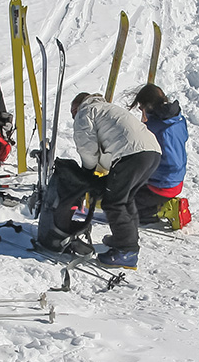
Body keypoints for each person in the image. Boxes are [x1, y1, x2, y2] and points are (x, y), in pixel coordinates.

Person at [71, 92, 161, 269]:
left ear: (76, 107)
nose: (73, 117)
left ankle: (127, 250)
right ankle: (126, 239)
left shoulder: (85, 112)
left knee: (113, 202)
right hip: (152, 152)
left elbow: (87, 148)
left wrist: (86, 172)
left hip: (132, 154)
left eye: (72, 113)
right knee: (125, 199)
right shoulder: (107, 108)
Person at [129, 84, 189, 226]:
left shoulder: (154, 128)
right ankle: (159, 204)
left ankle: (161, 210)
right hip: (177, 179)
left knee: (126, 204)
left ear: (148, 106)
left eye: (141, 107)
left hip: (162, 184)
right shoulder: (178, 119)